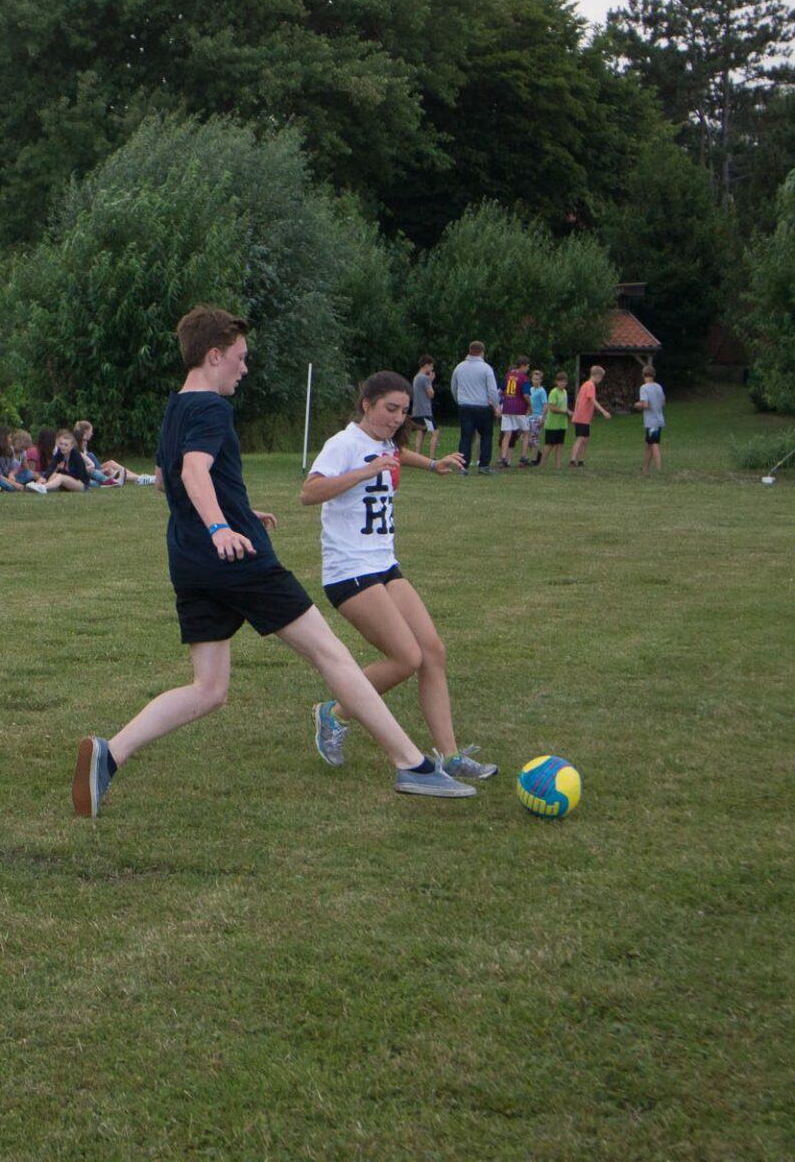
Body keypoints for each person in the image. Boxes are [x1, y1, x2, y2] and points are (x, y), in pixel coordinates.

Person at [71, 305, 475, 818]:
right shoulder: (212, 408)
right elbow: (193, 473)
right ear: (213, 356)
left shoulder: (176, 407)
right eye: (239, 358)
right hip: (237, 559)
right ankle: (411, 763)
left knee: (209, 689)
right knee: (331, 654)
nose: (244, 368)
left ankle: (110, 754)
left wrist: (237, 512)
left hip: (190, 562)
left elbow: (166, 481)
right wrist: (222, 527)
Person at [303, 372, 495, 781]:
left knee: (432, 651)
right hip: (349, 570)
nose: (396, 418)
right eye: (390, 408)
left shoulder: (385, 442)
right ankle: (335, 713)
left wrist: (433, 464)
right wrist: (362, 473)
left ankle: (450, 756)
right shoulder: (343, 444)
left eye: (403, 411)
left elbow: (396, 453)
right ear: (366, 404)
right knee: (406, 658)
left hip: (384, 564)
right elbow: (309, 492)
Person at [449, 341, 500, 475]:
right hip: (483, 407)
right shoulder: (486, 368)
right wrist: (496, 406)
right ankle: (484, 465)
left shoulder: (459, 367)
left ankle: (463, 466)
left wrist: (459, 401)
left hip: (465, 406)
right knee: (486, 436)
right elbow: (492, 391)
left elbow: (454, 387)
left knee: (466, 436)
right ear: (482, 352)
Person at [570, 365, 611, 467]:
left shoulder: (585, 385)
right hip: (582, 417)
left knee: (585, 440)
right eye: (601, 377)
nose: (601, 380)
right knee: (580, 438)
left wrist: (575, 413)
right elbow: (592, 400)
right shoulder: (590, 385)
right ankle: (572, 460)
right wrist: (604, 411)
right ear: (597, 375)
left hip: (584, 417)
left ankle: (580, 460)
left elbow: (578, 400)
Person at [27, 428, 89, 493]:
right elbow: (52, 465)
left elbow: (79, 474)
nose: (62, 447)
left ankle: (43, 487)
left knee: (60, 476)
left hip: (81, 483)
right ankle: (38, 485)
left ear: (71, 446)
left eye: (66, 445)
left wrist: (64, 474)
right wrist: (44, 478)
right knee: (54, 474)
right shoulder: (60, 452)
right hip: (69, 480)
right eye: (61, 444)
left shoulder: (75, 455)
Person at [497, 355, 531, 468]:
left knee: (507, 433)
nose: (528, 369)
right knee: (526, 432)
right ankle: (523, 457)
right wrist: (530, 405)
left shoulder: (508, 375)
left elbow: (500, 391)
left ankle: (503, 458)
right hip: (519, 408)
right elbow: (525, 394)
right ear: (523, 366)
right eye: (527, 367)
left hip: (507, 407)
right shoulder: (524, 378)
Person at [636, 366, 666, 474]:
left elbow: (646, 405)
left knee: (654, 444)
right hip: (659, 419)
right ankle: (645, 469)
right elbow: (663, 403)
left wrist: (638, 405)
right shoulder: (659, 387)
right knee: (648, 445)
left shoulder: (644, 388)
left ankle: (659, 469)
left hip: (651, 421)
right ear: (654, 375)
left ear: (643, 375)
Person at [409, 356, 440, 460]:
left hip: (417, 410)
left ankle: (417, 456)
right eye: (431, 366)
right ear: (426, 365)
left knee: (421, 432)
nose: (432, 369)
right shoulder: (425, 378)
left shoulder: (416, 377)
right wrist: (430, 381)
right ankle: (432, 457)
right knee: (435, 432)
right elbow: (431, 394)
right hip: (426, 412)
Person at [541, 373, 570, 472]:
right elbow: (552, 408)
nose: (563, 383)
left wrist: (569, 412)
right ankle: (542, 464)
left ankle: (558, 465)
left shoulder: (565, 392)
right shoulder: (554, 392)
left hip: (562, 424)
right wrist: (565, 412)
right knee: (549, 445)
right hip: (552, 424)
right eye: (560, 381)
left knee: (559, 444)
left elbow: (564, 407)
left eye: (564, 381)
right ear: (556, 382)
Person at [526, 368, 548, 466]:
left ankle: (534, 459)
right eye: (534, 379)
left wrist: (543, 417)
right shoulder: (531, 389)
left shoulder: (542, 391)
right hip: (530, 416)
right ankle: (538, 453)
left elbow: (545, 405)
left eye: (537, 379)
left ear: (541, 380)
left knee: (534, 438)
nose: (535, 381)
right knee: (527, 438)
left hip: (538, 416)